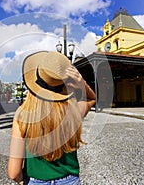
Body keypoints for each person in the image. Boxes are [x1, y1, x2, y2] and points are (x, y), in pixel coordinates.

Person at [7, 51, 96, 184]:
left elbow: (14, 173)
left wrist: (22, 181)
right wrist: (82, 83)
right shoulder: (73, 111)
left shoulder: (22, 115)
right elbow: (91, 98)